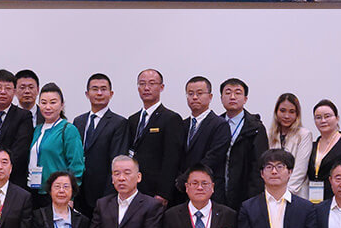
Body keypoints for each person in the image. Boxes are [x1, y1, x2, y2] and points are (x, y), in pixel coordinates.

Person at [125, 69, 184, 206]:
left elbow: (172, 159)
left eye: (152, 83)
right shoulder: (133, 119)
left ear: (161, 87)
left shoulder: (171, 119)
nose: (146, 88)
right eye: (142, 84)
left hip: (156, 191)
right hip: (133, 188)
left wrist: (164, 192)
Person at [72, 73, 127, 218]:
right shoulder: (78, 121)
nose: (99, 93)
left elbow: (116, 162)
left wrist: (108, 197)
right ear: (87, 94)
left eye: (103, 89)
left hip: (103, 192)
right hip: (79, 191)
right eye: (95, 89)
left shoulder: (119, 123)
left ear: (111, 93)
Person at [28, 83, 85, 208]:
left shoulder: (68, 129)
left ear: (62, 105)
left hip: (57, 193)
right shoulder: (37, 130)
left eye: (53, 102)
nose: (47, 107)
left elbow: (76, 165)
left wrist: (70, 196)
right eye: (43, 102)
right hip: (35, 191)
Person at [219, 78, 269, 211]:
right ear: (221, 98)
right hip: (217, 194)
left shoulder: (256, 128)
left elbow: (259, 166)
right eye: (228, 93)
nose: (232, 97)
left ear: (245, 99)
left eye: (238, 93)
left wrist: (253, 200)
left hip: (245, 195)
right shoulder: (215, 124)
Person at [180, 77, 230, 198]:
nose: (194, 97)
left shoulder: (220, 124)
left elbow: (213, 158)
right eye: (190, 94)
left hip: (208, 189)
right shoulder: (182, 124)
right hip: (182, 191)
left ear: (210, 96)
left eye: (199, 93)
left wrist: (187, 177)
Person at [268, 94, 313, 200]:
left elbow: (300, 170)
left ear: (297, 114)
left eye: (292, 112)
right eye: (282, 111)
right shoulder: (269, 134)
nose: (287, 116)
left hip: (296, 193)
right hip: (272, 193)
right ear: (276, 112)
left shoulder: (304, 134)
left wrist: (284, 193)